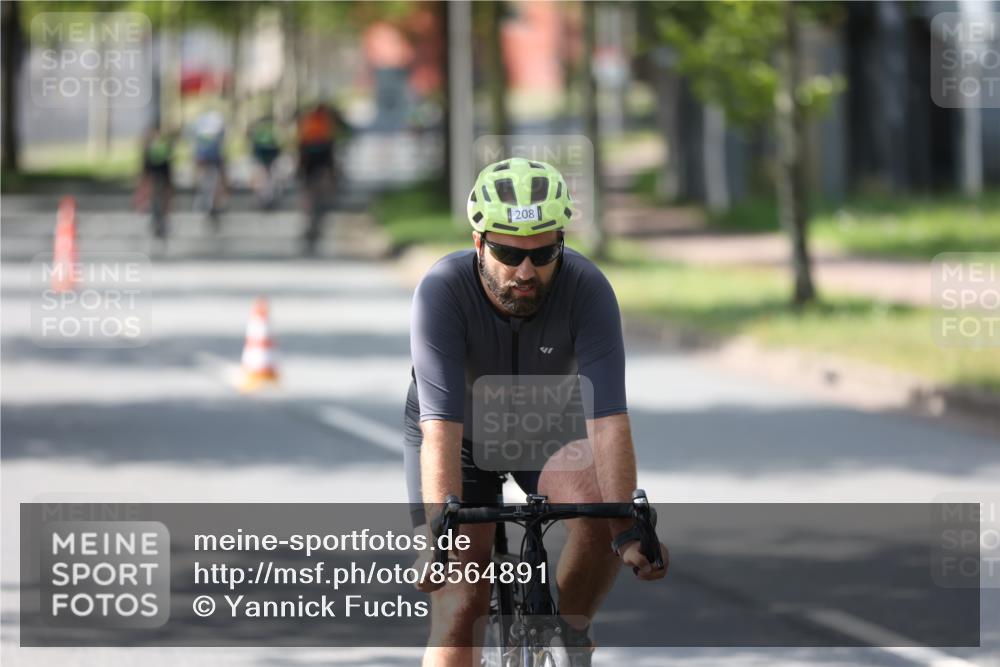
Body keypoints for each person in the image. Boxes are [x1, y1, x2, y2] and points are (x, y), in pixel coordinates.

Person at [405, 158, 669, 666]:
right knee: (461, 605)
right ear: (479, 244)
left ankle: (566, 633)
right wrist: (439, 535)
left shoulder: (588, 290)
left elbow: (609, 421)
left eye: (543, 252)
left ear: (561, 243)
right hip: (457, 438)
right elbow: (438, 429)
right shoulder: (442, 291)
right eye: (508, 252)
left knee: (596, 521)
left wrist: (628, 530)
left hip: (543, 428)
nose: (526, 271)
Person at [137, 126, 174, 245]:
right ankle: (161, 218)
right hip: (159, 174)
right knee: (161, 195)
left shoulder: (152, 145)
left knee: (162, 195)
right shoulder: (160, 145)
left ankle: (162, 218)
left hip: (158, 174)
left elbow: (145, 166)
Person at [191, 109, 227, 228]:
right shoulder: (211, 135)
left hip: (209, 160)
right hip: (209, 160)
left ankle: (213, 205)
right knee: (213, 182)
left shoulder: (205, 133)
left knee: (213, 182)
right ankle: (212, 205)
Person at [248, 114, 282, 209]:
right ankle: (267, 195)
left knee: (260, 172)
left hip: (261, 151)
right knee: (269, 171)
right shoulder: (272, 127)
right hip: (271, 151)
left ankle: (261, 195)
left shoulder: (258, 128)